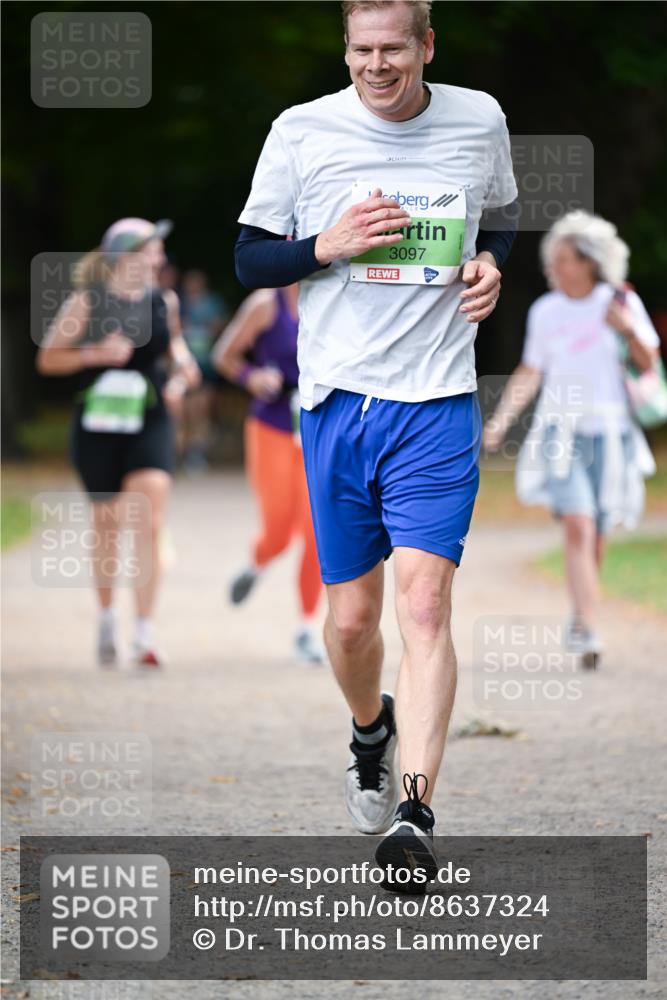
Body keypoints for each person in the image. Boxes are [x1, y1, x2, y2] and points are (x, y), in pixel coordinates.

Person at [235, 0, 517, 881]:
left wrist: (489, 264)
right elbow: (250, 258)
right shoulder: (301, 130)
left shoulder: (478, 118)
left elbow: (499, 217)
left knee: (423, 608)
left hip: (435, 401)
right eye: (362, 49)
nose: (377, 64)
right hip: (336, 404)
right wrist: (325, 244)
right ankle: (369, 732)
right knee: (353, 622)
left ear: (427, 45)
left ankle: (413, 814)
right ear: (346, 50)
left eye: (394, 47)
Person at [484, 211, 660, 668]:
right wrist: (500, 421)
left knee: (597, 533)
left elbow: (648, 362)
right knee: (578, 525)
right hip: (560, 433)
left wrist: (625, 328)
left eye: (563, 259)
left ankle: (582, 615)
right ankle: (588, 627)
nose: (553, 268)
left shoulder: (618, 301)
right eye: (552, 259)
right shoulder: (546, 311)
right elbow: (531, 370)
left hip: (612, 432)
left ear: (589, 262)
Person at [36, 218, 201, 668]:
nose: (159, 258)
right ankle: (107, 617)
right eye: (151, 250)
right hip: (99, 425)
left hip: (150, 417)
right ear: (124, 257)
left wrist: (183, 372)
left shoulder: (163, 300)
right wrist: (94, 354)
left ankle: (145, 632)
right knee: (108, 526)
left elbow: (176, 350)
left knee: (149, 520)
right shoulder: (87, 302)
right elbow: (48, 359)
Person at [213, 283, 324, 664]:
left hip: (318, 428)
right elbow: (223, 355)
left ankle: (307, 628)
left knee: (316, 531)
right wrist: (252, 376)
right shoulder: (265, 303)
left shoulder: (335, 292)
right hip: (271, 427)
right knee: (278, 530)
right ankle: (258, 562)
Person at [179, 270, 227, 473]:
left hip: (206, 365)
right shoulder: (179, 302)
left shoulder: (212, 302)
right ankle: (183, 452)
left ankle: (197, 453)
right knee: (184, 411)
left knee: (202, 409)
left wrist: (205, 328)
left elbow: (220, 325)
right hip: (183, 366)